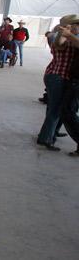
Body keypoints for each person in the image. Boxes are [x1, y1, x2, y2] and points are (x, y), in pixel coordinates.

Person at [37, 15, 78, 150]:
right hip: (58, 76)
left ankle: (46, 135)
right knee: (55, 110)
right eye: (75, 24)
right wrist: (65, 32)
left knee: (52, 108)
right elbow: (59, 43)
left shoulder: (68, 36)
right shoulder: (60, 36)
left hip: (54, 75)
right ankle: (46, 139)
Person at [52, 16, 79, 156]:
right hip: (72, 78)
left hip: (75, 80)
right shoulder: (72, 37)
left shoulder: (74, 37)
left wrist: (69, 34)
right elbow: (58, 44)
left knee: (68, 111)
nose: (74, 27)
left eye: (75, 25)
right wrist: (64, 34)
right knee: (67, 110)